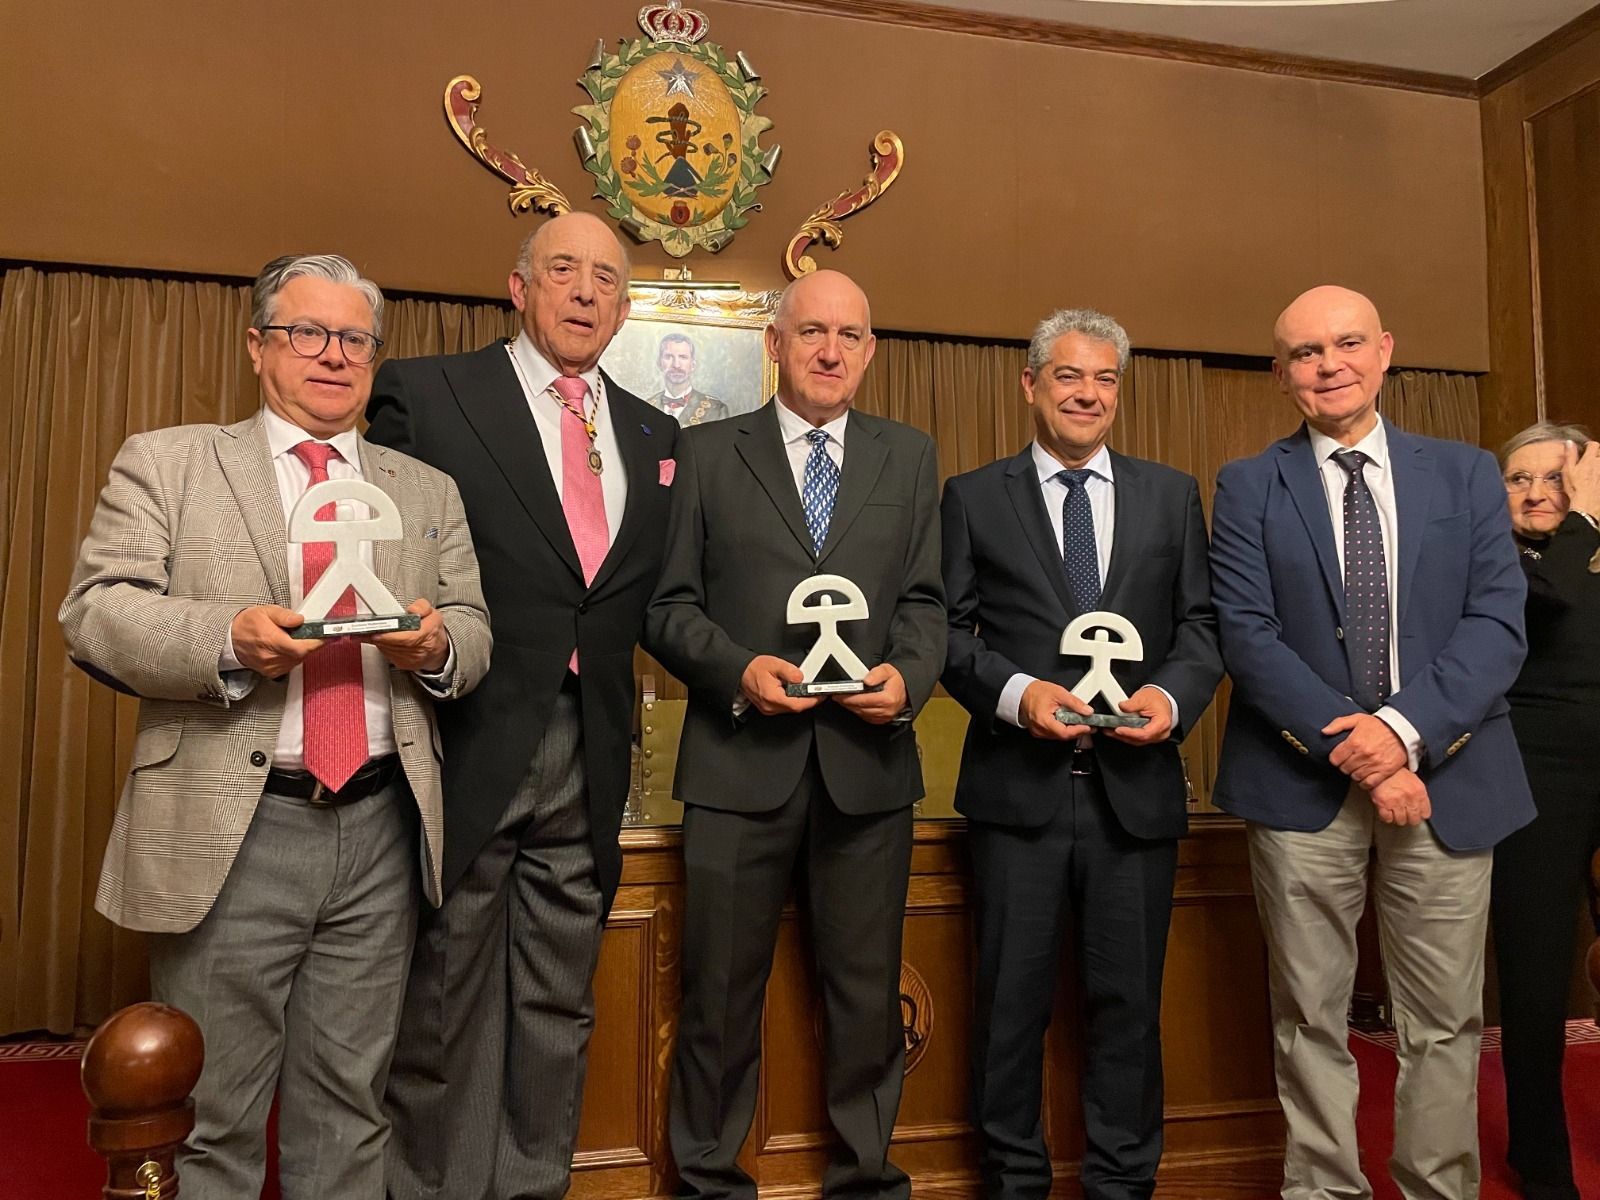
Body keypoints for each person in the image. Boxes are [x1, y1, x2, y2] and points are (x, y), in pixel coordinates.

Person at [58, 253, 492, 1200]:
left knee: (351, 1111)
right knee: (213, 1117)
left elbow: (472, 626)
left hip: (381, 828)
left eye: (355, 340)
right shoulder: (169, 461)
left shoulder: (426, 490)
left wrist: (436, 649)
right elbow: (95, 614)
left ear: (375, 358)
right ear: (259, 347)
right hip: (236, 827)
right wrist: (225, 637)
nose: (332, 356)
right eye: (307, 333)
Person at [365, 211, 679, 1200]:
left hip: (590, 752)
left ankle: (530, 1185)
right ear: (520, 286)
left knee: (556, 999)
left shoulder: (654, 433)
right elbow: (382, 553)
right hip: (468, 733)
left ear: (625, 306)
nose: (585, 292)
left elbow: (647, 598)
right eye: (564, 271)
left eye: (605, 280)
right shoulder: (430, 394)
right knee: (446, 997)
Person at [1209, 284, 1533, 1200]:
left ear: (1385, 350)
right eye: (1305, 354)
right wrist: (1356, 748)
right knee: (1307, 1014)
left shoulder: (1466, 474)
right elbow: (1247, 633)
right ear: (1282, 376)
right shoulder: (1246, 484)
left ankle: (1437, 1190)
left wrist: (1401, 734)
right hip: (1300, 787)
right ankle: (1323, 1190)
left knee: (1444, 1022)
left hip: (1449, 781)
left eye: (1346, 344)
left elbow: (1497, 623)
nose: (1329, 365)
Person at [644, 269, 945, 1200]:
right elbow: (668, 608)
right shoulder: (704, 453)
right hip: (739, 767)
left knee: (865, 1003)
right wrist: (738, 669)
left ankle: (866, 1181)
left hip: (868, 770)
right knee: (719, 1001)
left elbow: (928, 605)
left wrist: (906, 678)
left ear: (869, 350)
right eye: (811, 331)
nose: (829, 350)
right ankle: (707, 1181)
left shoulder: (910, 456)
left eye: (848, 335)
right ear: (774, 344)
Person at [940, 308, 1222, 1200]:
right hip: (1016, 794)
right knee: (1008, 1014)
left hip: (1133, 796)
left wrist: (1170, 698)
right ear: (1031, 385)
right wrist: (1020, 697)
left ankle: (1121, 1186)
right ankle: (1013, 1184)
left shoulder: (1171, 494)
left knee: (1130, 1012)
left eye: (1104, 379)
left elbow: (1202, 628)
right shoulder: (973, 497)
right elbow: (944, 632)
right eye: (1069, 377)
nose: (1088, 394)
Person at [1491, 422, 1600, 1200]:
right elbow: (1548, 601)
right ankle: (1542, 1156)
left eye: (1556, 479)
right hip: (1535, 774)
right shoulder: (1496, 561)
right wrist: (1587, 520)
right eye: (1519, 479)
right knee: (1535, 973)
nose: (1537, 492)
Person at [647, 331, 730, 425]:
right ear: (659, 363)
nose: (676, 365)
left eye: (683, 357)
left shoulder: (716, 410)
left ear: (693, 365)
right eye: (669, 357)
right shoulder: (644, 407)